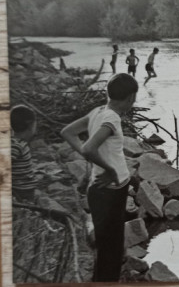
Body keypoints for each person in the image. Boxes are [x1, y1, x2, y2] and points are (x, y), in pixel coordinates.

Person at [60, 73, 138, 282]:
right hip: (110, 192)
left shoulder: (98, 112)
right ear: (131, 97)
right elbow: (88, 148)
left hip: (101, 191)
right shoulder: (111, 117)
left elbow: (67, 132)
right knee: (111, 254)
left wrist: (94, 161)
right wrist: (110, 169)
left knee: (106, 250)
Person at [10, 105, 40, 203]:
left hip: (21, 188)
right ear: (31, 125)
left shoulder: (16, 142)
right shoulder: (17, 145)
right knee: (29, 210)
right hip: (22, 190)